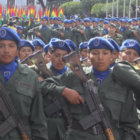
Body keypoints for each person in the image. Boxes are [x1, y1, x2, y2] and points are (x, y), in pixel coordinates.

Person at [42, 37, 138, 140]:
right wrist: (64, 91)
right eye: (95, 53)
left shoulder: (120, 81)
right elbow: (43, 85)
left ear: (112, 56)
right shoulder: (74, 76)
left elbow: (130, 124)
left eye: (105, 53)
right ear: (88, 55)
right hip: (78, 136)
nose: (100, 57)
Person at [0, 27, 48, 140]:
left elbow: (38, 119)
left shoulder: (30, 76)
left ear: (17, 50)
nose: (6, 50)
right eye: (1, 46)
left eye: (11, 46)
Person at [43, 39, 72, 140]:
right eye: (57, 55)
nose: (60, 59)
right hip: (45, 124)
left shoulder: (72, 74)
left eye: (64, 56)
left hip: (67, 126)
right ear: (49, 55)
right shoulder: (39, 71)